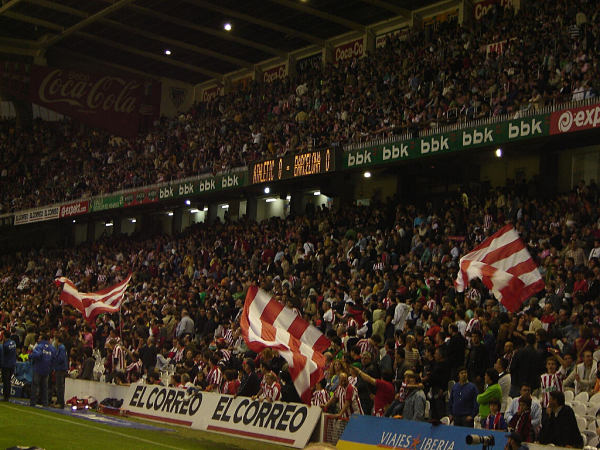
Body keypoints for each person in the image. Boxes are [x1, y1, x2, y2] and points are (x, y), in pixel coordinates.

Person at [30, 333, 56, 407]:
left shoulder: (40, 346)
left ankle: (33, 402)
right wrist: (51, 367)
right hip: (46, 370)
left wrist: (30, 356)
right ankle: (45, 403)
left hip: (38, 368)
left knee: (35, 386)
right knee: (45, 387)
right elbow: (54, 359)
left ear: (42, 339)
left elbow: (37, 355)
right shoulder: (52, 348)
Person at [1, 328, 17, 402]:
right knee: (9, 380)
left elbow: (3, 355)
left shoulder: (5, 345)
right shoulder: (13, 343)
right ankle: (8, 395)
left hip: (6, 364)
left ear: (4, 336)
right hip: (12, 364)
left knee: (6, 380)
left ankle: (6, 396)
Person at [52, 334, 68, 409]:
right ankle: (59, 401)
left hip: (60, 368)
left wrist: (54, 360)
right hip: (59, 368)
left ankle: (60, 402)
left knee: (60, 386)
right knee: (59, 386)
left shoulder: (61, 348)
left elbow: (61, 358)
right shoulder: (60, 347)